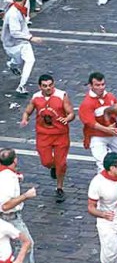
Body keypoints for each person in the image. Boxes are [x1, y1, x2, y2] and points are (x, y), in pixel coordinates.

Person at [20, 74, 74, 202]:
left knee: (61, 163)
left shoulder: (62, 96)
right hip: (43, 135)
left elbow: (71, 113)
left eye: (50, 85)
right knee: (46, 161)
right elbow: (28, 111)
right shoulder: (36, 97)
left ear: (53, 84)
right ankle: (54, 167)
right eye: (45, 86)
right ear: (40, 87)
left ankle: (59, 187)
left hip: (60, 134)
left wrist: (66, 119)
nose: (48, 88)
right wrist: (24, 119)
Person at [0, 148, 48, 263]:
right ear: (14, 160)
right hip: (10, 217)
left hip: (7, 217)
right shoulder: (8, 179)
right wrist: (26, 196)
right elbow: (6, 205)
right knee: (26, 243)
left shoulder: (7, 175)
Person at [79, 72, 117, 171]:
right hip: (96, 136)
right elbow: (90, 122)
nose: (101, 87)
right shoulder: (86, 103)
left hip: (112, 134)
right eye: (97, 85)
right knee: (101, 162)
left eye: (103, 84)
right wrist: (107, 129)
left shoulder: (111, 97)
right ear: (90, 86)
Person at [1, 0, 40, 94]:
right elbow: (15, 33)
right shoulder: (14, 14)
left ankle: (12, 65)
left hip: (12, 44)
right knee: (30, 60)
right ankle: (21, 86)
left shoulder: (13, 9)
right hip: (16, 43)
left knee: (19, 61)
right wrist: (30, 38)